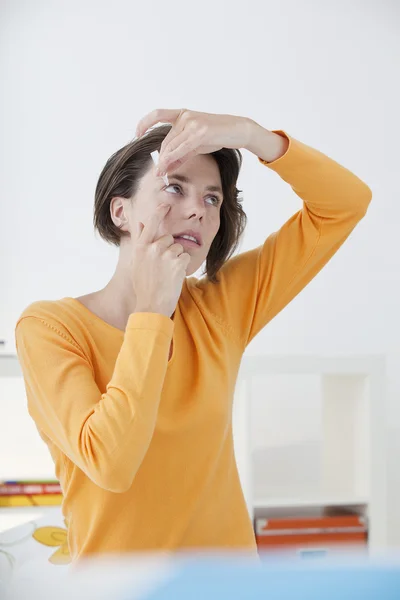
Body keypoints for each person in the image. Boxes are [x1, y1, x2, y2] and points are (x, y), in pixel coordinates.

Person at [15, 108, 371, 562]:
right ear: (120, 210)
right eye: (174, 187)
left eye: (212, 199)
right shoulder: (50, 329)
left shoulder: (221, 306)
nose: (196, 211)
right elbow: (112, 462)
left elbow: (346, 204)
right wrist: (153, 312)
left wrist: (251, 135)